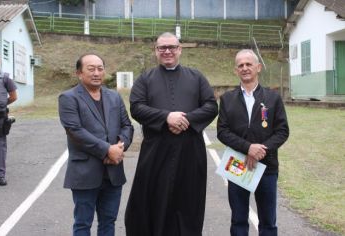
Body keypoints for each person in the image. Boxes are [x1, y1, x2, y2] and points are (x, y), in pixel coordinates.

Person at [125, 32, 218, 236]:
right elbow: (136, 107)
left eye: (172, 47)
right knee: (152, 199)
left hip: (190, 152)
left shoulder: (197, 77)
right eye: (162, 48)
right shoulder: (145, 79)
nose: (167, 51)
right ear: (156, 51)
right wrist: (166, 117)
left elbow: (211, 106)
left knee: (188, 201)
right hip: (156, 152)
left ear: (180, 49)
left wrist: (186, 120)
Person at [58, 53, 133, 236]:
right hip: (85, 171)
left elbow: (127, 125)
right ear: (79, 73)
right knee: (83, 223)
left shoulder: (114, 97)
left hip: (113, 172)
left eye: (100, 68)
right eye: (91, 69)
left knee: (109, 221)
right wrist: (108, 150)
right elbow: (75, 131)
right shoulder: (68, 98)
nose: (96, 73)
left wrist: (119, 148)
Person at [217, 49, 289, 236]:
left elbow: (282, 131)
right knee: (239, 219)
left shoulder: (273, 98)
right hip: (237, 165)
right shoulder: (227, 99)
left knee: (268, 221)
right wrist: (248, 148)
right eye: (240, 65)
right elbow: (222, 132)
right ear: (235, 70)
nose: (245, 68)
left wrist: (261, 151)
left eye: (249, 64)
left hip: (266, 166)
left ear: (258, 67)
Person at [0, 52, 17, 186]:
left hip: (0, 117)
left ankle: (0, 175)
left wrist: (1, 105)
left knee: (0, 146)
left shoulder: (5, 78)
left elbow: (13, 96)